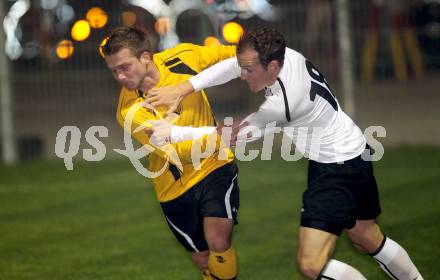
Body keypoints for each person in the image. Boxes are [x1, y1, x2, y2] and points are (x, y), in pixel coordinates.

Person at [143, 28, 423, 280]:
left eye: (249, 70)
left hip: (337, 170)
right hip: (355, 151)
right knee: (366, 237)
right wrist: (183, 88)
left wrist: (174, 133)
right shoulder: (284, 54)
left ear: (272, 66)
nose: (242, 75)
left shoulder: (284, 105)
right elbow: (232, 66)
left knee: (311, 264)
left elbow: (233, 136)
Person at [101, 27, 240, 280]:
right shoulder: (129, 111)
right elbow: (178, 153)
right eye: (114, 71)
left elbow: (235, 55)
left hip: (214, 165)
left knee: (218, 241)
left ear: (145, 56)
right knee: (201, 257)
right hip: (173, 188)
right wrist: (219, 135)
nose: (120, 76)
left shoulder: (183, 57)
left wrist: (264, 62)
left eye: (125, 67)